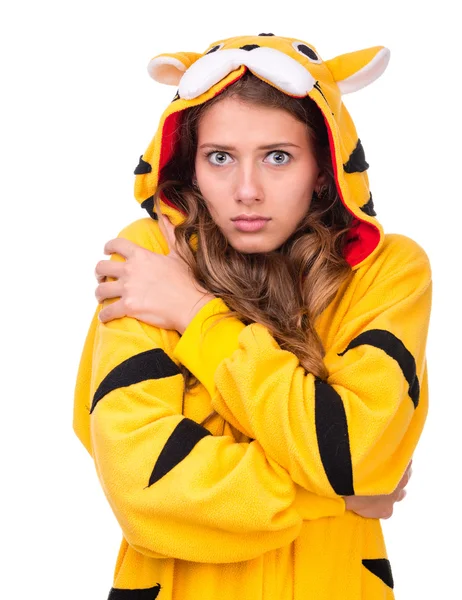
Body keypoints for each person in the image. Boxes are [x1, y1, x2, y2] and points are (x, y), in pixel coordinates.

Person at [73, 33, 432, 600]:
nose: (246, 191)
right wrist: (332, 497)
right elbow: (144, 488)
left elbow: (356, 451)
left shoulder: (384, 271)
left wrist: (195, 315)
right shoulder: (150, 257)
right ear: (188, 167)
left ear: (324, 166)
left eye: (277, 157)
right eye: (220, 158)